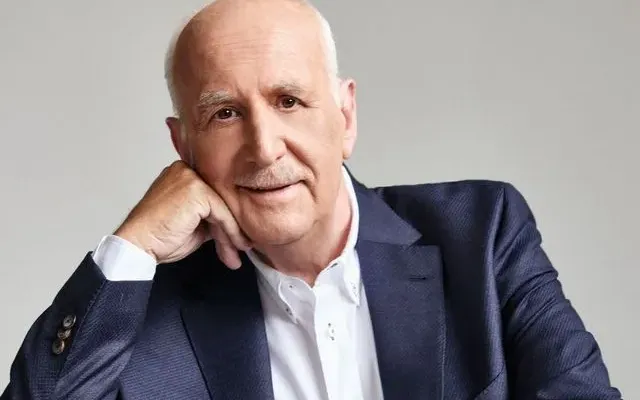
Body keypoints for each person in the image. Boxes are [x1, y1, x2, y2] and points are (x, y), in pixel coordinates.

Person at [1, 0, 622, 399]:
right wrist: (132, 247)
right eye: (224, 114)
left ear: (345, 116)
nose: (264, 147)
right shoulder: (140, 313)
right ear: (183, 146)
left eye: (289, 101)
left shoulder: (482, 236)